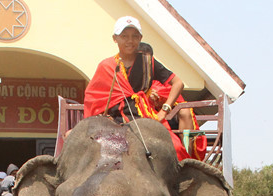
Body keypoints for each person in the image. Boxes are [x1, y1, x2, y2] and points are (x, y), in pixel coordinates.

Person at [82, 16, 191, 160]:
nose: (130, 41)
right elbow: (94, 98)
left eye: (134, 36)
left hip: (145, 118)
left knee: (175, 148)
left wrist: (164, 110)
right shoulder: (106, 66)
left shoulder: (148, 62)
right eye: (124, 36)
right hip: (114, 120)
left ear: (140, 38)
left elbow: (178, 83)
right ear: (115, 38)